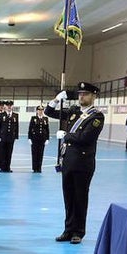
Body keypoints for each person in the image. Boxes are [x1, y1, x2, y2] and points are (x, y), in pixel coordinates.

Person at [46, 82, 105, 243]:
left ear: (93, 96)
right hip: (68, 161)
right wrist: (57, 99)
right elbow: (49, 112)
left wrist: (65, 135)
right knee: (69, 197)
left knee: (80, 198)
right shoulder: (73, 111)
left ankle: (78, 231)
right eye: (80, 94)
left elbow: (85, 138)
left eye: (85, 94)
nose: (81, 96)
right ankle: (68, 229)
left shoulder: (97, 116)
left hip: (83, 163)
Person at [0, 100, 19, 172]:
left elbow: (16, 126)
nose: (9, 107)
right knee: (2, 153)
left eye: (10, 105)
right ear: (5, 107)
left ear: (12, 106)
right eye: (7, 105)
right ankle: (2, 168)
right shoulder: (1, 115)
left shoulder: (15, 115)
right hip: (3, 137)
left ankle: (8, 167)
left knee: (9, 153)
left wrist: (16, 136)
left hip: (11, 137)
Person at [28, 105, 50, 173]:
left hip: (42, 139)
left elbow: (47, 129)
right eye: (39, 110)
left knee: (41, 153)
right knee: (34, 153)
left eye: (42, 110)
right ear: (37, 111)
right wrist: (29, 138)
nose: (40, 111)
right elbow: (30, 128)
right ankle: (35, 168)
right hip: (34, 138)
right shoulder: (33, 118)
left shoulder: (45, 119)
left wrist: (47, 138)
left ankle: (39, 167)